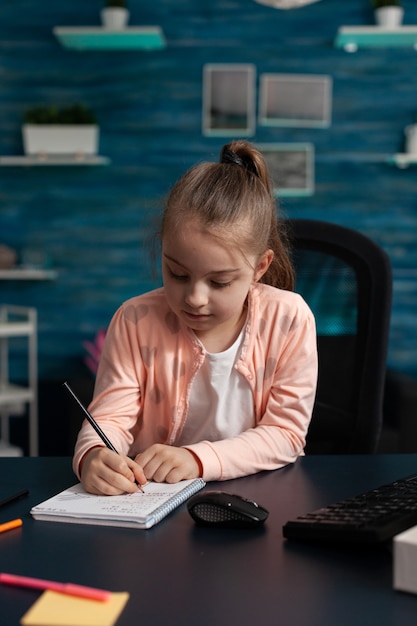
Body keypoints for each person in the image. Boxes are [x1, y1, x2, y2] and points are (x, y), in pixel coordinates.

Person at [73, 140, 318, 495]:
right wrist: (92, 455)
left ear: (259, 268)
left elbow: (286, 435)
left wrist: (197, 459)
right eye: (178, 274)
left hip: (258, 497)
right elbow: (110, 419)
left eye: (219, 282)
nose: (194, 298)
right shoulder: (135, 320)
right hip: (152, 499)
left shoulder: (289, 318)